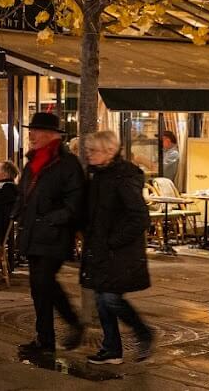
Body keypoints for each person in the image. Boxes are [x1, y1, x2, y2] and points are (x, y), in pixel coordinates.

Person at [14, 111, 87, 359]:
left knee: (44, 282)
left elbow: (75, 202)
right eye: (30, 131)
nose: (30, 135)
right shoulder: (33, 162)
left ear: (50, 135)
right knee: (39, 286)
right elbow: (23, 192)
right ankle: (45, 338)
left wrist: (52, 219)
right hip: (33, 233)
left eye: (35, 131)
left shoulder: (67, 164)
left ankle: (69, 324)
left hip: (53, 235)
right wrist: (17, 213)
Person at [80, 130, 153, 365]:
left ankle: (143, 333)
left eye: (93, 150)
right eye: (88, 150)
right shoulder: (98, 176)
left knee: (110, 298)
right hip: (102, 250)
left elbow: (140, 217)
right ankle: (112, 348)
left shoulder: (123, 177)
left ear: (110, 152)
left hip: (119, 253)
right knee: (102, 298)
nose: (88, 154)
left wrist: (113, 241)